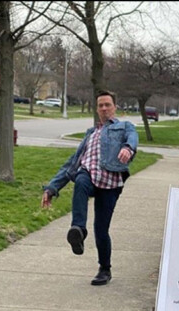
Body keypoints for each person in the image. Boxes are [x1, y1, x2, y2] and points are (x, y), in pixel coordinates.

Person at [41, 90, 138, 286]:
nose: (104, 108)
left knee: (101, 229)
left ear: (114, 107)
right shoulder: (90, 134)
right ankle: (78, 230)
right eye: (100, 105)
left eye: (107, 105)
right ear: (97, 109)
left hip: (110, 182)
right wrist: (52, 188)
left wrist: (128, 148)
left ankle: (105, 269)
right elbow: (71, 164)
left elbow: (133, 137)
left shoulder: (123, 126)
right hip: (88, 174)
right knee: (81, 179)